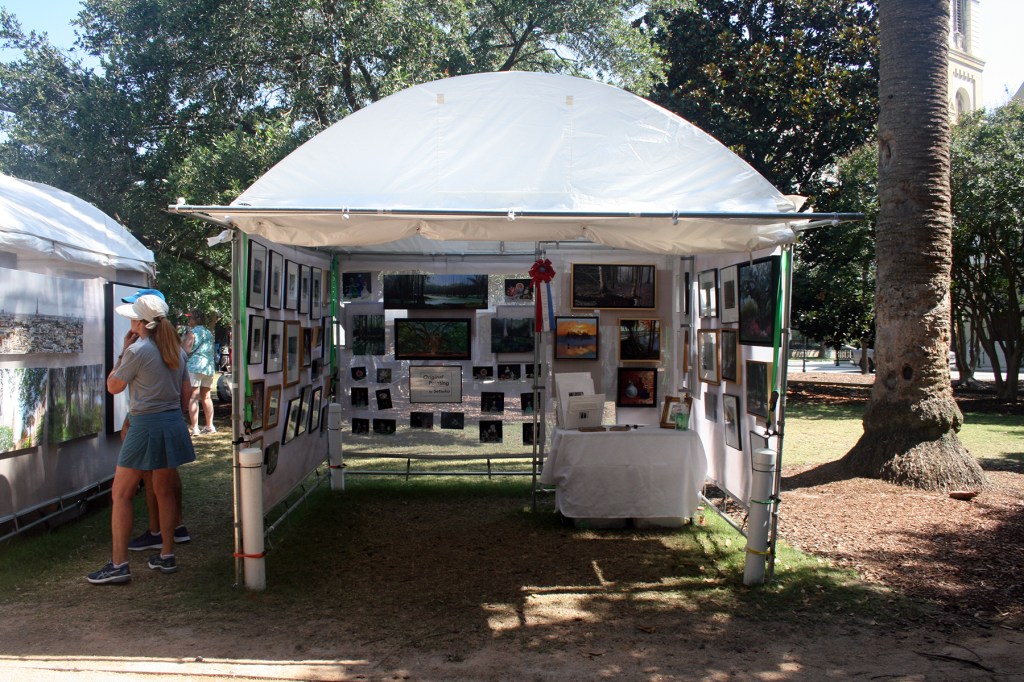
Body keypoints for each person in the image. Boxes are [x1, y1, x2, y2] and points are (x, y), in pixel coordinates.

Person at [87, 293, 195, 584]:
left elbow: (113, 386)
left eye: (133, 318)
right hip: (171, 423)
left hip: (146, 425)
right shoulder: (175, 350)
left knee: (121, 493)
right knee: (164, 491)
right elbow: (185, 390)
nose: (130, 322)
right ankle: (167, 554)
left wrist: (123, 352)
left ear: (140, 323)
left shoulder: (138, 351)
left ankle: (119, 564)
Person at [183, 309, 217, 435]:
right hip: (208, 367)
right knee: (206, 396)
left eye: (190, 318)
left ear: (195, 319)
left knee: (193, 397)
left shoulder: (192, 332)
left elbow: (186, 350)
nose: (188, 320)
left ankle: (195, 428)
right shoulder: (209, 333)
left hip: (195, 366)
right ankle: (210, 425)